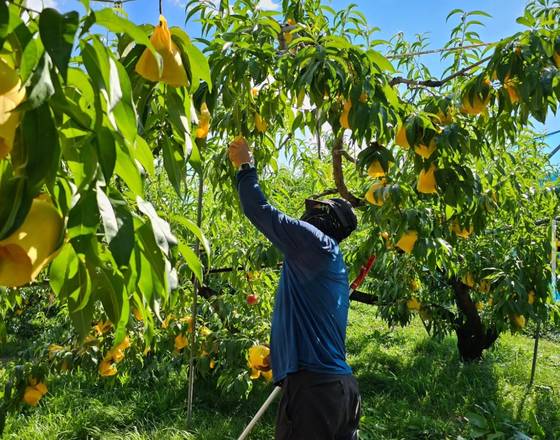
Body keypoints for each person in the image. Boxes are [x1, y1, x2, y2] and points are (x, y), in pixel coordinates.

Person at [229, 136, 361, 440]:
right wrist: (281, 356)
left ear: (323, 218)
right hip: (334, 389)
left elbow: (258, 209)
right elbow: (310, 322)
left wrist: (245, 165)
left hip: (315, 392)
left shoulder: (315, 243)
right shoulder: (326, 260)